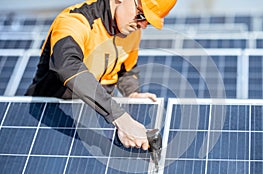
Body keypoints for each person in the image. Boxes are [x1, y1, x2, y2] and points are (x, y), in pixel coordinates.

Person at [25, 0, 177, 150]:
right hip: (48, 117)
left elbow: (126, 70)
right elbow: (67, 66)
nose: (142, 25)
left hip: (95, 117)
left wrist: (132, 93)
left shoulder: (132, 32)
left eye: (148, 22)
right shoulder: (75, 20)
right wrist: (121, 118)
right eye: (141, 15)